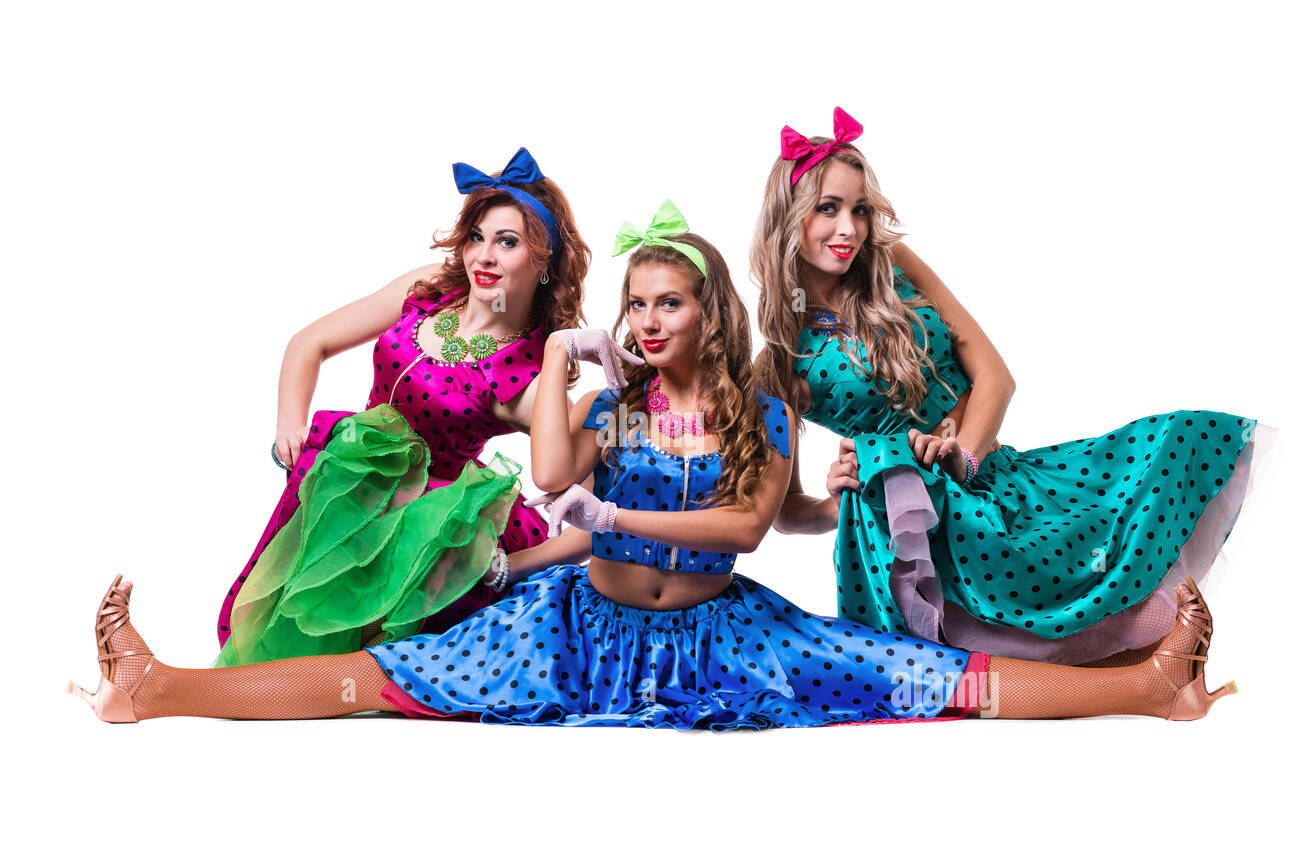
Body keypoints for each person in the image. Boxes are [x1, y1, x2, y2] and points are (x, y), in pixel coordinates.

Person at [68, 203, 1236, 726]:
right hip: (580, 625)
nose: (652, 316)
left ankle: (1142, 688)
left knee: (909, 682)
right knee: (383, 676)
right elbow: (546, 477)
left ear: (708, 310)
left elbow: (741, 530)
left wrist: (798, 514)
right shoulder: (609, 399)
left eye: (670, 299)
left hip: (718, 637)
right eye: (636, 303)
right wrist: (571, 363)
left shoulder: (757, 403)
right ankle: (160, 685)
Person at [751, 107, 1274, 665]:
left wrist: (963, 458)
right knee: (1023, 658)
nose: (850, 229)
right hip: (918, 534)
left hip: (989, 472)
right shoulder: (779, 367)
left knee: (1179, 442)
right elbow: (783, 513)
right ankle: (1154, 678)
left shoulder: (893, 263)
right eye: (827, 209)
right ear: (790, 217)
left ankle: (1168, 673)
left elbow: (995, 376)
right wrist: (845, 500)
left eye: (858, 209)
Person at [214, 147, 598, 667]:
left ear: (545, 260)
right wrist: (289, 425)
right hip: (346, 482)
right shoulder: (430, 289)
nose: (483, 256)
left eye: (507, 243)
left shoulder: (528, 379)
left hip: (419, 531)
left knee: (345, 665)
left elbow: (581, 475)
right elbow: (311, 342)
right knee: (267, 640)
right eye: (477, 237)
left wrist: (512, 561)